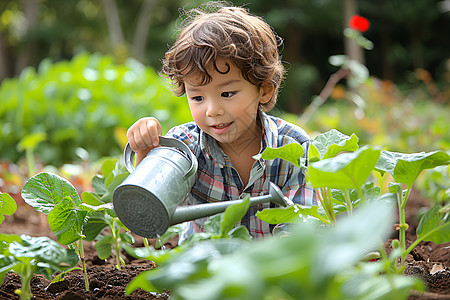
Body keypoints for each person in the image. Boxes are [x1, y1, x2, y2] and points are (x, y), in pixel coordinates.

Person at [126, 1, 317, 242]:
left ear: (265, 90)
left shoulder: (293, 146)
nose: (213, 110)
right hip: (205, 274)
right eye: (197, 97)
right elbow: (144, 218)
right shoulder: (183, 147)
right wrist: (145, 152)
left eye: (227, 94)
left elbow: (299, 230)